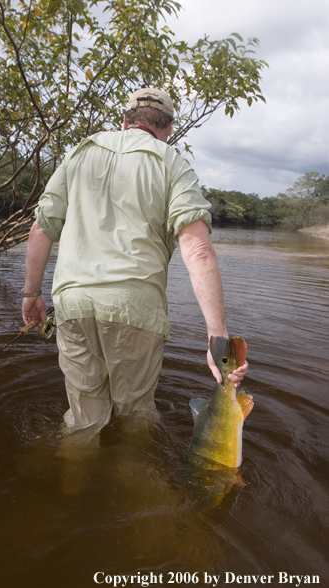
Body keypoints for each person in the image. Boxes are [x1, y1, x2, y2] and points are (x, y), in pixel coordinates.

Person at [22, 88, 248, 436]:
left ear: (125, 120)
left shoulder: (81, 152)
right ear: (169, 127)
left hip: (73, 305)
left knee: (84, 420)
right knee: (135, 418)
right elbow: (199, 251)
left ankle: (70, 485)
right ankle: (136, 485)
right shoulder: (172, 162)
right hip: (136, 309)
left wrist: (31, 292)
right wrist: (217, 337)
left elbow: (41, 228)